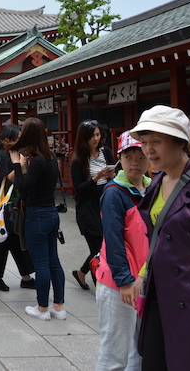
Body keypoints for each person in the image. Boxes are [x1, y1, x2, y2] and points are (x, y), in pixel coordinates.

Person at [130, 105, 190, 369]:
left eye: (156, 142)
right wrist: (142, 274)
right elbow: (156, 237)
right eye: (145, 142)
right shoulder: (157, 182)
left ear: (180, 141)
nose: (148, 150)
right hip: (159, 292)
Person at [95, 132, 149, 370]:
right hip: (119, 284)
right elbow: (114, 240)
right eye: (129, 156)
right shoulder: (114, 193)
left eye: (141, 156)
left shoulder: (154, 188)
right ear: (119, 159)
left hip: (144, 280)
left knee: (138, 352)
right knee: (114, 352)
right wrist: (124, 280)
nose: (135, 162)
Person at [9, 117, 65, 321]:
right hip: (51, 212)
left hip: (37, 216)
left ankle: (42, 308)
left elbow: (23, 186)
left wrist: (17, 165)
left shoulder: (38, 161)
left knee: (41, 264)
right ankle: (59, 306)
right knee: (53, 262)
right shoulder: (50, 158)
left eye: (23, 131)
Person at [0, 124, 35, 291]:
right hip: (3, 206)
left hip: (16, 205)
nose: (21, 140)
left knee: (17, 240)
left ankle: (25, 276)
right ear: (7, 140)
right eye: (18, 137)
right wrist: (19, 165)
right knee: (1, 242)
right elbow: (4, 180)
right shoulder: (1, 157)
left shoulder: (18, 154)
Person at [71, 120, 116, 290]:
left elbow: (115, 176)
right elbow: (79, 188)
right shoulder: (78, 159)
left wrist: (111, 176)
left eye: (98, 135)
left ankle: (82, 273)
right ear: (84, 138)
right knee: (97, 246)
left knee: (105, 244)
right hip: (88, 206)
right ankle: (100, 283)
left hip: (106, 201)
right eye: (92, 136)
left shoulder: (107, 152)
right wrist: (96, 178)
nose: (96, 139)